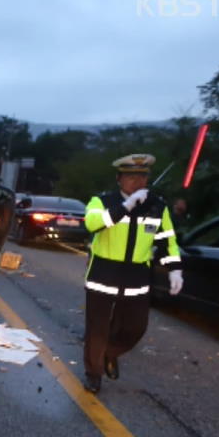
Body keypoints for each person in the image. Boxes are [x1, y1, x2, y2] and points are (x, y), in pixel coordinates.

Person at [81, 153, 183, 394]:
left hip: (136, 278)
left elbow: (168, 240)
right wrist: (126, 206)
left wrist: (175, 269)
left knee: (136, 329)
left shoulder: (157, 206)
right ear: (119, 179)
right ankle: (93, 374)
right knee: (97, 329)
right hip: (103, 275)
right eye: (130, 176)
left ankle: (111, 352)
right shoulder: (102, 201)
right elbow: (93, 224)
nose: (136, 182)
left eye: (142, 176)